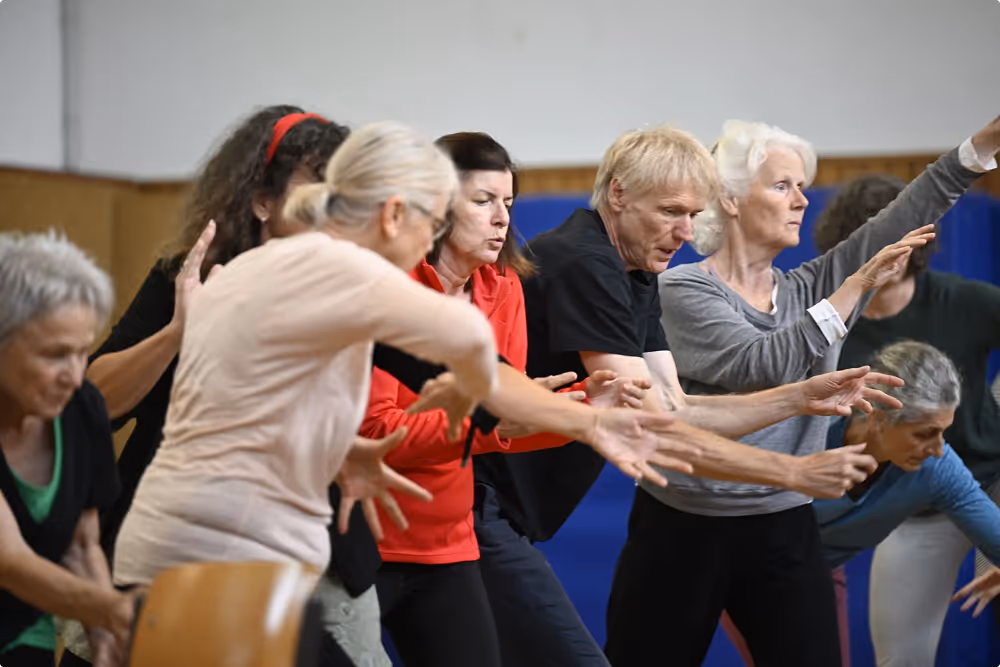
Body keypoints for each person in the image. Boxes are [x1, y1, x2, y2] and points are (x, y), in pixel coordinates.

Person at [469, 124, 899, 667]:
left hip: (497, 510)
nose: (686, 232)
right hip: (473, 500)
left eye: (694, 216)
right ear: (619, 194)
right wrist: (789, 472)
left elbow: (673, 407)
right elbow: (653, 429)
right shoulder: (585, 260)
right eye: (672, 211)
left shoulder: (636, 269)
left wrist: (798, 397)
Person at [618, 114, 1000, 667]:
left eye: (801, 186)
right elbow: (762, 363)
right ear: (727, 198)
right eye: (781, 185)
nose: (800, 199)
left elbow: (906, 214)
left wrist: (979, 148)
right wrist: (853, 288)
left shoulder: (810, 287)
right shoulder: (682, 288)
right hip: (683, 528)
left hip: (786, 527)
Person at [80, 106, 388, 667]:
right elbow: (93, 403)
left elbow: (449, 368)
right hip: (181, 546)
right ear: (262, 202)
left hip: (309, 550)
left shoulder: (352, 290)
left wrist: (561, 412)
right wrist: (178, 333)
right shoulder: (189, 278)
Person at [361, 132, 650, 667]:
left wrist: (584, 413)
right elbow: (379, 433)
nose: (502, 219)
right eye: (483, 201)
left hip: (454, 533)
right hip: (369, 533)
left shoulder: (504, 288)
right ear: (438, 206)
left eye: (509, 204)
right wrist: (494, 414)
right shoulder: (390, 286)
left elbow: (499, 436)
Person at [813, 173, 1000, 665]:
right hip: (914, 501)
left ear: (917, 243)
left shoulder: (966, 301)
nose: (884, 257)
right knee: (900, 656)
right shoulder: (828, 331)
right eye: (869, 245)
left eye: (894, 243)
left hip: (991, 476)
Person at [722, 341, 1000, 666]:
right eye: (925, 433)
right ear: (879, 420)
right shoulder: (802, 427)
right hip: (738, 562)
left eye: (943, 433)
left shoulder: (937, 468)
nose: (938, 448)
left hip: (817, 572)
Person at [0, 232, 134, 667]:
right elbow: (9, 561)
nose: (75, 377)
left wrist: (103, 639)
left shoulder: (82, 409)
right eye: (55, 355)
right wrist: (116, 611)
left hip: (21, 630)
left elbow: (81, 545)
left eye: (83, 353)